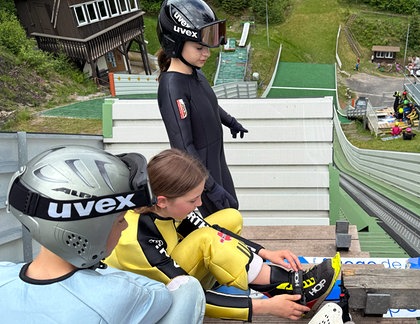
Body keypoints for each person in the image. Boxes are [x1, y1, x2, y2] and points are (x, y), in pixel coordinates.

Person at [104, 148, 341, 322]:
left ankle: (254, 276)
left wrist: (264, 251)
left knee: (230, 217)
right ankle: (286, 286)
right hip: (156, 296)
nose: (198, 204)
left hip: (169, 265)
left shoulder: (162, 208)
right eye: (192, 199)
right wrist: (265, 307)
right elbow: (190, 296)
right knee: (206, 240)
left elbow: (215, 229)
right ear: (163, 201)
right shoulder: (139, 241)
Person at [0, 145, 205, 323]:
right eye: (120, 220)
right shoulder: (118, 294)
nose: (124, 227)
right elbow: (164, 296)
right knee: (188, 289)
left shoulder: (4, 276)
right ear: (88, 232)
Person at [156, 0, 247, 218]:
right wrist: (209, 187)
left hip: (216, 160)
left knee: (232, 213)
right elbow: (184, 146)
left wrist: (229, 120)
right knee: (219, 226)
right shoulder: (172, 87)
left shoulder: (195, 72)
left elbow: (208, 103)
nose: (206, 53)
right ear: (175, 43)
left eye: (207, 47)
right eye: (199, 48)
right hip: (199, 177)